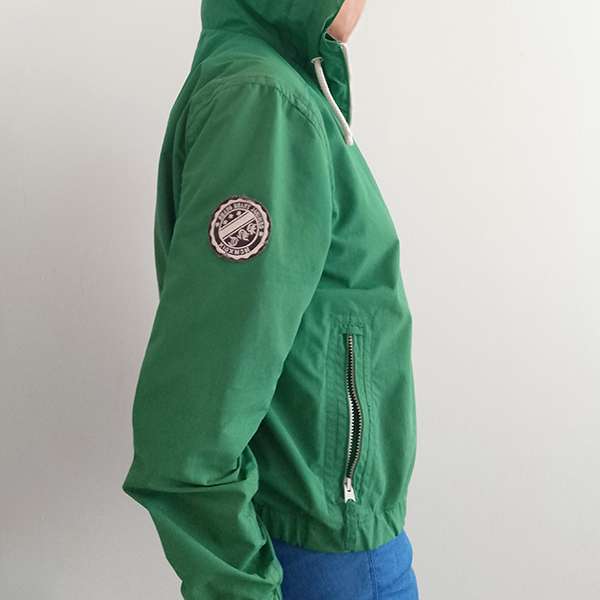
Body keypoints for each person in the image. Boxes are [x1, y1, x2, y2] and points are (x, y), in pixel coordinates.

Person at [122, 1, 419, 598]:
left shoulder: (279, 92)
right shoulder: (265, 103)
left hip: (334, 540)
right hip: (317, 556)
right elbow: (193, 420)